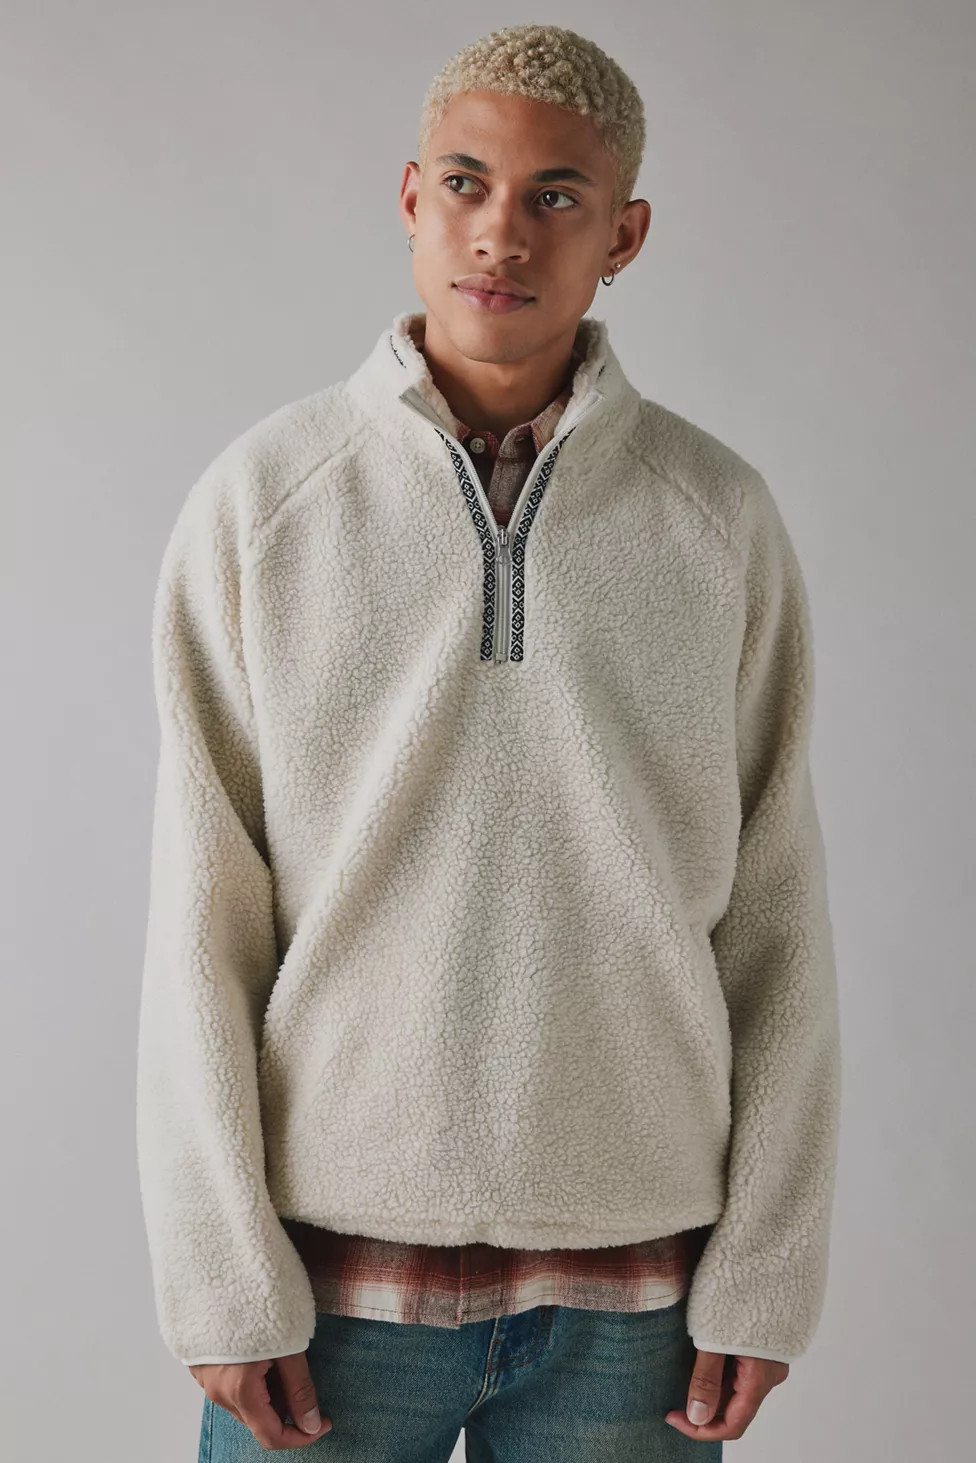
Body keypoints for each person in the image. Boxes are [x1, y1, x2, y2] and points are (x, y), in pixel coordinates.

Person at [135, 22, 841, 1460]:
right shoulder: (265, 505)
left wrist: (769, 1265)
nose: (501, 232)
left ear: (624, 234)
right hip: (330, 1282)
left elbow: (776, 916)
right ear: (412, 198)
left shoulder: (717, 519)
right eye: (466, 183)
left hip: (638, 1293)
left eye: (556, 196)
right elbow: (202, 913)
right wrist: (217, 1271)